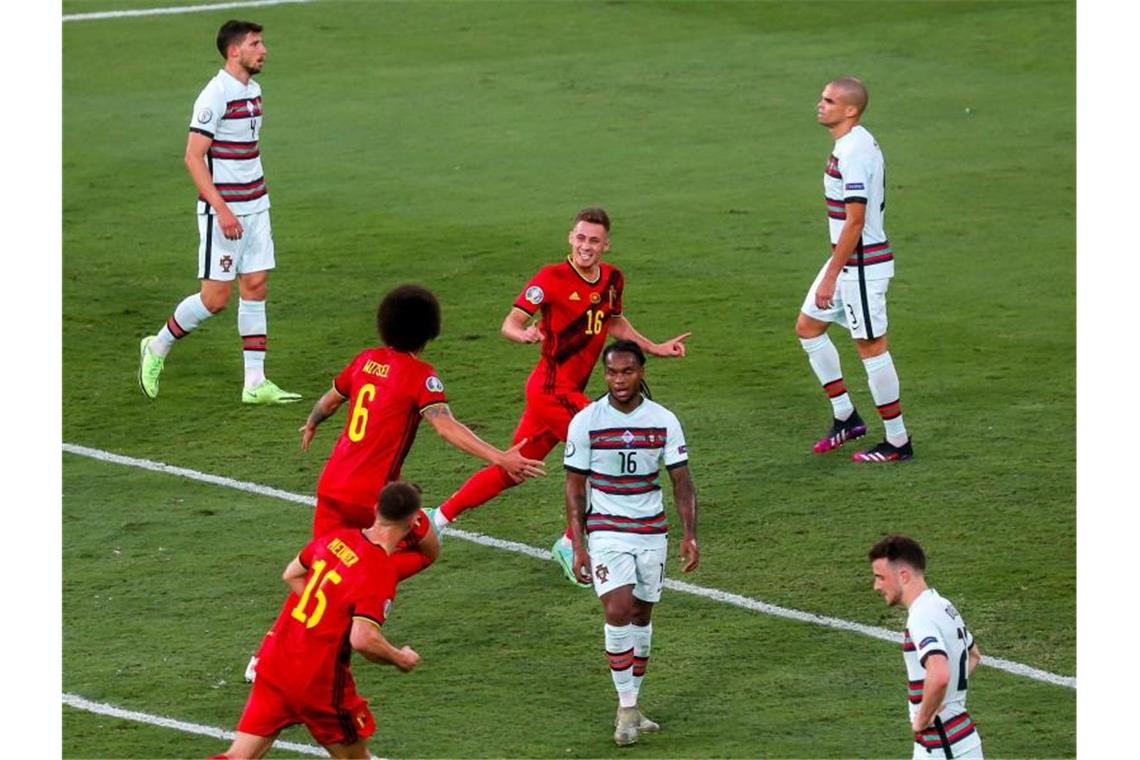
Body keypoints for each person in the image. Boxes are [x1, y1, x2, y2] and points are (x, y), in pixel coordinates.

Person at [429, 208, 691, 586]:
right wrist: (522, 334)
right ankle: (571, 542)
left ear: (606, 244)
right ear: (571, 237)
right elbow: (512, 321)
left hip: (565, 392)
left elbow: (613, 321)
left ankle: (438, 520)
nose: (586, 246)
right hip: (551, 390)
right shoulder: (550, 279)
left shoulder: (613, 278)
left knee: (515, 466)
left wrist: (655, 347)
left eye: (594, 241)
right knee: (607, 449)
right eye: (581, 238)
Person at [299, 283, 546, 579]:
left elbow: (330, 401)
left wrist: (312, 423)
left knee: (322, 572)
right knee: (427, 549)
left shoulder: (365, 360)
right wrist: (500, 457)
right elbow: (445, 426)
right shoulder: (420, 375)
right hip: (375, 498)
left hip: (331, 486)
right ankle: (366, 580)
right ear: (430, 330)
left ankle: (336, 599)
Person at [138, 19, 301, 405]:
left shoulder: (255, 91)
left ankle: (255, 382)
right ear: (234, 51)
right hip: (224, 211)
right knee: (215, 300)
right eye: (256, 44)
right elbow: (193, 158)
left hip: (257, 204)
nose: (263, 50)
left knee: (257, 285)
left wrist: (254, 201)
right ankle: (157, 347)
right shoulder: (214, 95)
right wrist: (222, 210)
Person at [216, 482, 425, 759]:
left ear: (375, 509)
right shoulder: (379, 570)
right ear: (413, 521)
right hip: (320, 682)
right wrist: (401, 658)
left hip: (277, 664)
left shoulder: (335, 539)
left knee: (237, 756)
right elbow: (363, 639)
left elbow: (291, 574)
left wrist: (328, 612)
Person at [564, 341, 698, 746]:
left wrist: (690, 534)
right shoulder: (586, 421)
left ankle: (634, 704)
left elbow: (682, 481)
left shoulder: (663, 420)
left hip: (651, 530)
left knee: (641, 615)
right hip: (606, 529)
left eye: (627, 371)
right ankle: (624, 708)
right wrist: (579, 544)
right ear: (604, 374)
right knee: (618, 608)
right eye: (611, 373)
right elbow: (574, 488)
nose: (619, 380)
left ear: (641, 372)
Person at [795, 77, 913, 462]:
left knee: (871, 347)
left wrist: (832, 275)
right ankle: (846, 417)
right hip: (848, 262)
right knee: (808, 327)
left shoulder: (854, 152)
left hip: (860, 267)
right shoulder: (852, 143)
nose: (820, 104)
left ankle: (898, 442)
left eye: (829, 100)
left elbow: (855, 221)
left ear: (851, 110)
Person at [868, 535, 983, 759]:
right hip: (959, 741)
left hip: (942, 746)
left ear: (903, 575)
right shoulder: (943, 606)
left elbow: (939, 674)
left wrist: (921, 719)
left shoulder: (921, 616)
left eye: (880, 577)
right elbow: (974, 655)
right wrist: (945, 697)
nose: (876, 586)